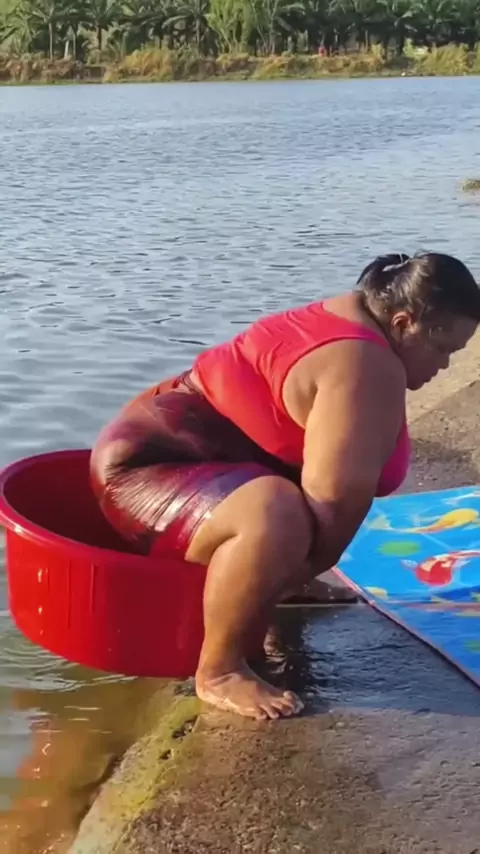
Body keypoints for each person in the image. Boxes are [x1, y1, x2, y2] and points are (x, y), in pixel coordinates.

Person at [90, 252, 480, 721]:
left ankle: (281, 587)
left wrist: (291, 578)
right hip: (146, 469)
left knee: (287, 506)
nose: (445, 365)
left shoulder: (362, 317)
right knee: (277, 514)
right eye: (442, 349)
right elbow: (336, 498)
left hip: (199, 455)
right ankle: (220, 670)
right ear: (403, 323)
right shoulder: (367, 364)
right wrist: (293, 568)